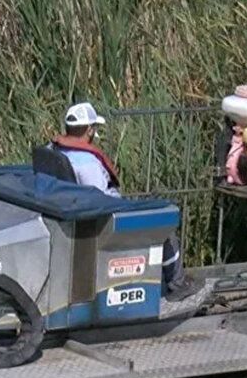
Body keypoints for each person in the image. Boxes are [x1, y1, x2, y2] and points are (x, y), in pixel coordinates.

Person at [51, 103, 196, 301]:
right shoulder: (87, 163)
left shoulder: (55, 150)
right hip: (104, 219)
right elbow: (101, 201)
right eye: (94, 128)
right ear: (89, 130)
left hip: (75, 212)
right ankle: (177, 284)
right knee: (164, 223)